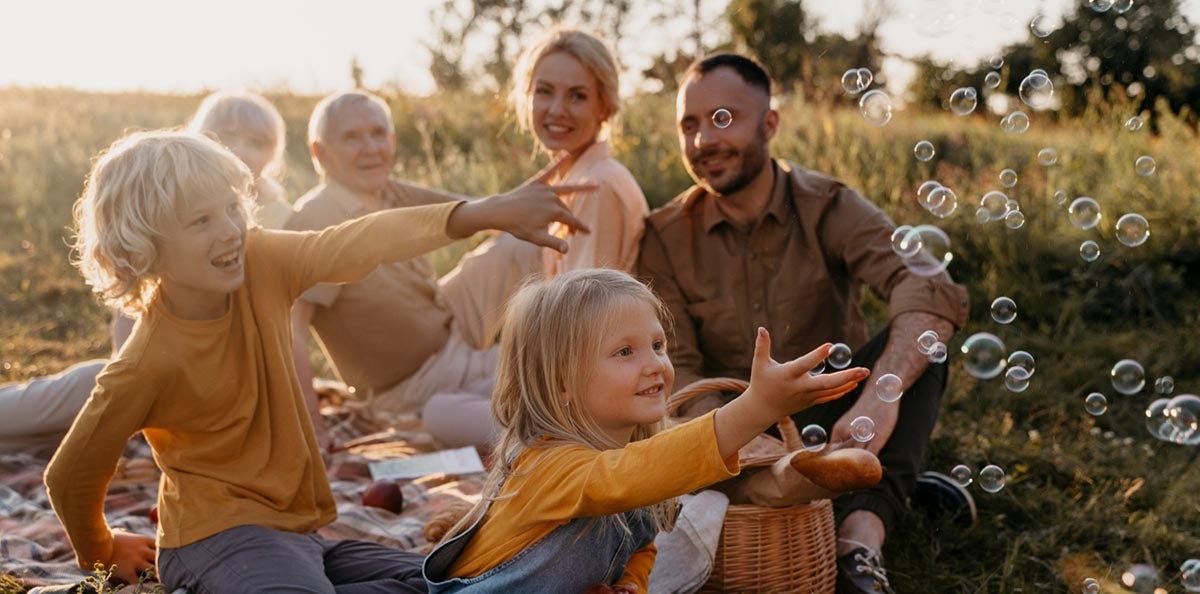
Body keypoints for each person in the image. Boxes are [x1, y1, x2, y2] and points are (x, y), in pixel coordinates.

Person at [43, 129, 586, 591]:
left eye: (232, 207)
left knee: (455, 578)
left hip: (301, 533)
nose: (231, 229)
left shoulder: (260, 260)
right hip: (215, 539)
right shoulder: (144, 364)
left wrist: (477, 213)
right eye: (200, 220)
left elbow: (352, 243)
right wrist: (103, 550)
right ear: (145, 246)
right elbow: (71, 473)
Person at [637, 53, 971, 594]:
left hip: (838, 412)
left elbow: (929, 290)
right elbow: (677, 364)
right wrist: (735, 438)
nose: (702, 141)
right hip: (733, 425)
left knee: (921, 343)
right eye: (689, 125)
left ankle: (858, 544)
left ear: (769, 124)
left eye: (723, 119)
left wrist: (879, 399)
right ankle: (872, 490)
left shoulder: (829, 205)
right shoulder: (662, 234)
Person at [422, 269, 869, 593]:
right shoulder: (548, 464)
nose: (656, 363)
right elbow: (627, 477)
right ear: (561, 384)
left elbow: (641, 545)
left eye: (657, 345)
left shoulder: (639, 458)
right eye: (624, 352)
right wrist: (756, 408)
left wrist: (630, 585)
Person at [287, 90, 589, 450]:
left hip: (448, 323)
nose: (369, 147)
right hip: (412, 383)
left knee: (521, 245)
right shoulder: (317, 219)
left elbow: (479, 213)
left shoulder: (390, 192)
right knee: (552, 389)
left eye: (377, 134)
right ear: (320, 153)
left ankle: (580, 329)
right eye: (351, 137)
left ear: (392, 141)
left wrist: (515, 202)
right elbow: (291, 330)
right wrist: (315, 432)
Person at [0, 91, 294, 454]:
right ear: (197, 138)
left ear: (275, 153)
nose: (242, 149)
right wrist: (136, 377)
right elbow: (134, 302)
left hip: (226, 371)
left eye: (258, 142)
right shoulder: (168, 206)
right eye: (227, 136)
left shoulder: (282, 217)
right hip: (155, 365)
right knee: (79, 393)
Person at [509, 27, 648, 277]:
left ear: (604, 107)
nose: (557, 110)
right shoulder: (573, 179)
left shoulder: (597, 186)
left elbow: (583, 311)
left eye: (577, 96)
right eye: (544, 91)